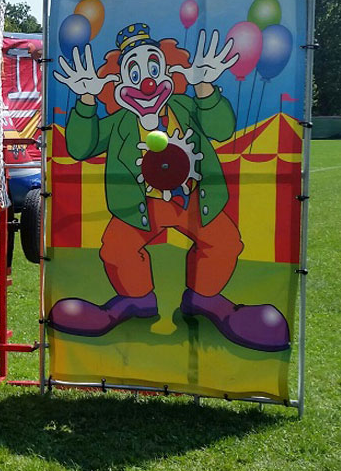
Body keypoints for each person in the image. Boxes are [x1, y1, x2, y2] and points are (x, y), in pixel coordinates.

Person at [48, 25, 290, 352]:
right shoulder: (120, 123)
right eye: (133, 72)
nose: (146, 82)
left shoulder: (185, 108)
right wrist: (87, 101)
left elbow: (221, 129)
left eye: (153, 68)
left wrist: (204, 87)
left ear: (168, 72)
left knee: (223, 242)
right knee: (118, 248)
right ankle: (134, 300)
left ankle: (206, 300)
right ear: (117, 83)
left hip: (193, 198)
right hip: (140, 206)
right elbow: (80, 146)